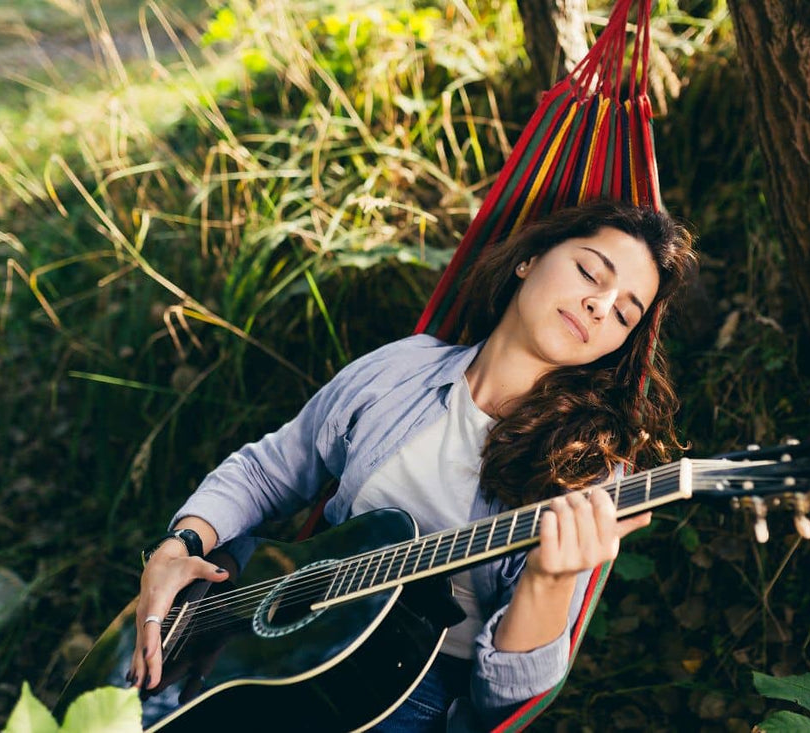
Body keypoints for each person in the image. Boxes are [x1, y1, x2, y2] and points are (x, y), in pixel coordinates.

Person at [129, 198, 697, 731]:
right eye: (590, 273)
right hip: (268, 634)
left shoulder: (586, 469)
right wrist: (183, 544)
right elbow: (269, 470)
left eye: (625, 314)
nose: (601, 306)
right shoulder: (403, 367)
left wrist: (551, 579)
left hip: (406, 693)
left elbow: (507, 701)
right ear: (528, 260)